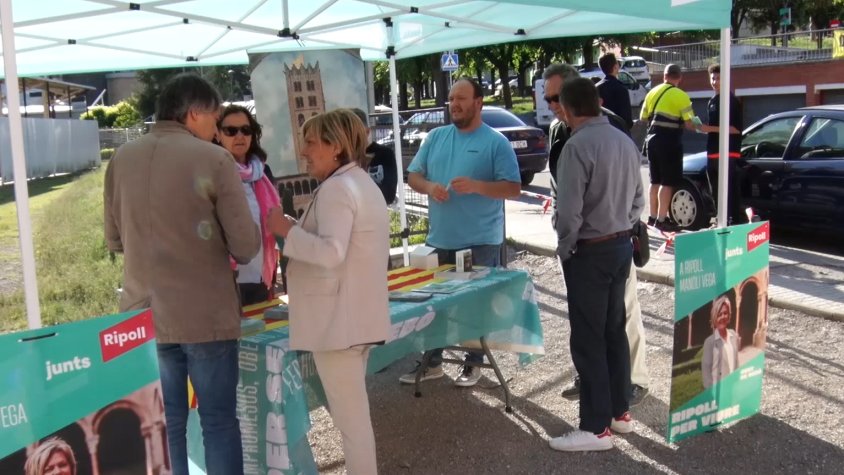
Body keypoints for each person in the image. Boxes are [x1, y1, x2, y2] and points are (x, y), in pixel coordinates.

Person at [104, 73, 259, 475]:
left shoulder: (121, 158)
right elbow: (245, 247)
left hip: (143, 313)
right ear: (194, 114)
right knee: (218, 422)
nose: (217, 127)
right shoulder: (214, 159)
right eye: (215, 117)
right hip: (203, 315)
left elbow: (115, 239)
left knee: (166, 424)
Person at [266, 109, 389, 475]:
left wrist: (287, 231)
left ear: (335, 147)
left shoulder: (338, 188)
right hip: (352, 322)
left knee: (353, 428)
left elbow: (331, 252)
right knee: (354, 423)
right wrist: (294, 228)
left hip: (340, 326)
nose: (304, 150)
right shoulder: (356, 183)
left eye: (311, 142)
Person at [399, 78, 521, 387]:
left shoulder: (496, 142)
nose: (454, 104)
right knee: (433, 306)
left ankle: (472, 363)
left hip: (480, 242)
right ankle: (432, 362)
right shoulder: (436, 137)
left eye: (462, 98)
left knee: (473, 308)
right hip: (439, 239)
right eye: (451, 98)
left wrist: (478, 186)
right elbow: (413, 176)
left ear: (479, 102)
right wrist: (429, 187)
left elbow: (513, 188)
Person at [542, 63, 650, 407]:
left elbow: (629, 194)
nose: (553, 105)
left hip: (599, 242)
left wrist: (611, 226)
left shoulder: (605, 126)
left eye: (557, 97)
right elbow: (563, 186)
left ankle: (627, 386)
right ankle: (608, 394)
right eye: (548, 100)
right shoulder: (560, 131)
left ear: (575, 96)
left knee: (615, 320)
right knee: (600, 324)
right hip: (597, 240)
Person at [217, 104, 281, 305]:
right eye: (231, 131)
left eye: (246, 130)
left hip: (261, 273)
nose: (239, 136)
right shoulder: (213, 172)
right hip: (226, 278)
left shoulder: (262, 171)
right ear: (218, 135)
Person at [639, 64, 698, 232]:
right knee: (667, 181)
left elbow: (643, 118)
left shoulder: (651, 93)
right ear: (679, 78)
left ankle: (651, 218)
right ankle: (662, 219)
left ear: (664, 76)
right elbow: (689, 124)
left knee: (654, 180)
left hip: (652, 140)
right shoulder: (681, 96)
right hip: (669, 142)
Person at [700, 64, 748, 226]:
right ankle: (720, 219)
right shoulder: (712, 101)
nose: (715, 81)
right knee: (715, 190)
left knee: (728, 191)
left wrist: (709, 128)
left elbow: (736, 129)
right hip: (712, 152)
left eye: (719, 78)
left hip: (728, 153)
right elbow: (714, 128)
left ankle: (732, 221)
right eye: (713, 78)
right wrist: (701, 128)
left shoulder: (731, 101)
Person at [350, 107, 398, 205]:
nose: (349, 137)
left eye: (354, 133)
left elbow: (388, 196)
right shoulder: (342, 157)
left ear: (367, 132)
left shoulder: (385, 154)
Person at [702, 296, 741, 389]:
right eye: (719, 314)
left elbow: (736, 362)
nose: (722, 317)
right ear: (714, 318)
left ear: (729, 315)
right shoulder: (709, 342)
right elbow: (706, 374)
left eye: (725, 313)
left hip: (733, 389)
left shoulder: (733, 335)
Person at [596, 53, 633, 129]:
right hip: (618, 133)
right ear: (615, 67)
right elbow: (627, 120)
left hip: (599, 131)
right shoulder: (621, 89)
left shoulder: (595, 88)